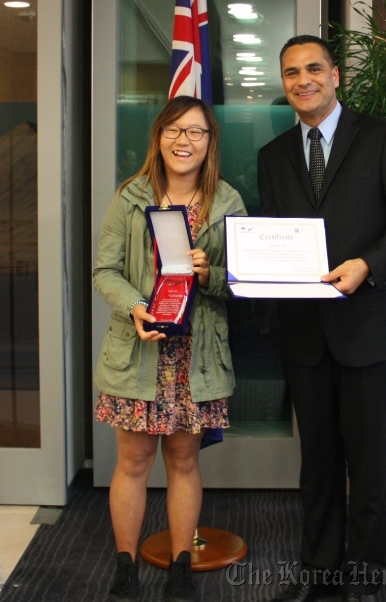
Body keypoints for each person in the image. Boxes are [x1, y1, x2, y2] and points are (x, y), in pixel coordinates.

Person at [257, 36, 386, 602]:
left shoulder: (382, 138)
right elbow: (274, 236)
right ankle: (318, 572)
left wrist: (369, 263)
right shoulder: (274, 155)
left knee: (366, 463)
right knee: (317, 464)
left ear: (336, 76)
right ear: (284, 83)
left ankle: (364, 577)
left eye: (314, 68)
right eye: (291, 72)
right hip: (306, 336)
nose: (303, 79)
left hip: (371, 331)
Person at [94, 96, 246, 602]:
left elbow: (244, 282)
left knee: (184, 462)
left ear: (210, 142)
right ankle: (125, 565)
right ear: (159, 137)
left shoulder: (228, 202)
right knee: (133, 463)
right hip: (140, 350)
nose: (184, 141)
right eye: (174, 130)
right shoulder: (132, 195)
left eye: (196, 132)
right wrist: (135, 305)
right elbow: (105, 271)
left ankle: (181, 565)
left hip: (196, 356)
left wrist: (212, 274)